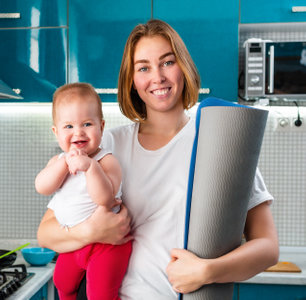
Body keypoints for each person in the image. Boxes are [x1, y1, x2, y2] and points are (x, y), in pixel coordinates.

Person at [37, 19, 279, 299]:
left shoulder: (220, 144)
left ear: (183, 67)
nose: (158, 77)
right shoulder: (108, 145)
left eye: (167, 62)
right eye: (143, 67)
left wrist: (208, 271)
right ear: (133, 80)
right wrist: (89, 231)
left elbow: (267, 247)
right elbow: (47, 233)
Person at [35, 82, 132, 300]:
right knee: (62, 282)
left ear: (101, 126)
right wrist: (63, 164)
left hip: (106, 246)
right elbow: (42, 187)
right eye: (68, 126)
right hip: (73, 243)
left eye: (87, 124)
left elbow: (105, 199)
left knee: (100, 294)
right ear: (56, 132)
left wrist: (90, 167)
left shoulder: (106, 161)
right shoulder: (58, 161)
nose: (78, 132)